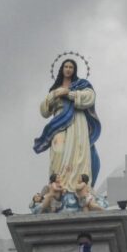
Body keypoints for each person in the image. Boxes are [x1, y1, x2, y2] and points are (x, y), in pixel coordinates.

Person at [33, 59, 102, 193]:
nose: (68, 69)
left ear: (74, 70)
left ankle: (79, 186)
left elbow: (90, 97)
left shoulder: (81, 84)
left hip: (77, 121)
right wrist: (53, 96)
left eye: (71, 67)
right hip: (59, 122)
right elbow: (44, 111)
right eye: (66, 66)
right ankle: (57, 185)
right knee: (58, 151)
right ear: (62, 69)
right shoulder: (54, 89)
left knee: (79, 151)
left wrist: (69, 94)